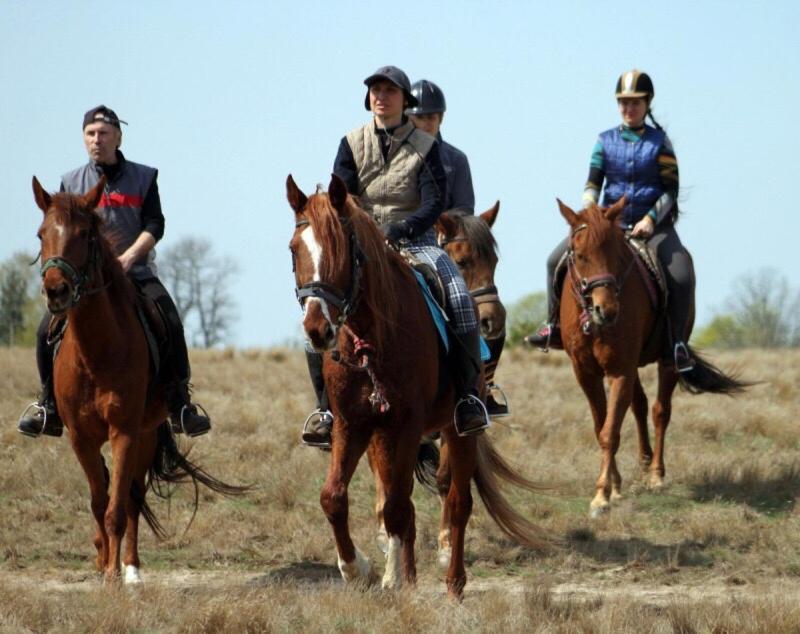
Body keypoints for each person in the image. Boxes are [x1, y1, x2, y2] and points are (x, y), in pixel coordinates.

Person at [301, 65, 489, 447]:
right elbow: (343, 196)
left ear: (405, 101)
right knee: (317, 309)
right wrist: (364, 232)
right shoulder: (350, 142)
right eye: (375, 90)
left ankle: (469, 397)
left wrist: (398, 230)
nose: (380, 97)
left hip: (416, 242)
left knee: (460, 298)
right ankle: (325, 409)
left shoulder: (426, 146)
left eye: (389, 91)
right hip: (361, 245)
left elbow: (434, 200)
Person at [18, 105, 212, 438]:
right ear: (84, 139)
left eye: (104, 133)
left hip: (135, 274)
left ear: (118, 137)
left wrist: (130, 257)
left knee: (171, 321)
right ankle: (48, 405)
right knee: (42, 332)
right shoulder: (70, 182)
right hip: (84, 282)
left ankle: (180, 405)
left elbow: (155, 224)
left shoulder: (144, 176)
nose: (97, 140)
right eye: (91, 134)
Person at [526, 70, 696, 372]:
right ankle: (553, 326)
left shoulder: (661, 143)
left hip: (652, 227)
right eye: (623, 103)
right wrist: (589, 207)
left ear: (647, 104)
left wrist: (650, 219)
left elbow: (671, 190)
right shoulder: (604, 141)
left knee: (681, 273)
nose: (628, 109)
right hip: (608, 226)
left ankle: (676, 345)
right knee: (555, 260)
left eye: (635, 103)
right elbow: (593, 182)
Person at [405, 79, 475, 216]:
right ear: (407, 119)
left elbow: (464, 209)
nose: (425, 124)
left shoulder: (456, 160)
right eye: (419, 117)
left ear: (440, 119)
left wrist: (437, 221)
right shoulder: (391, 154)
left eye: (431, 117)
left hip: (441, 233)